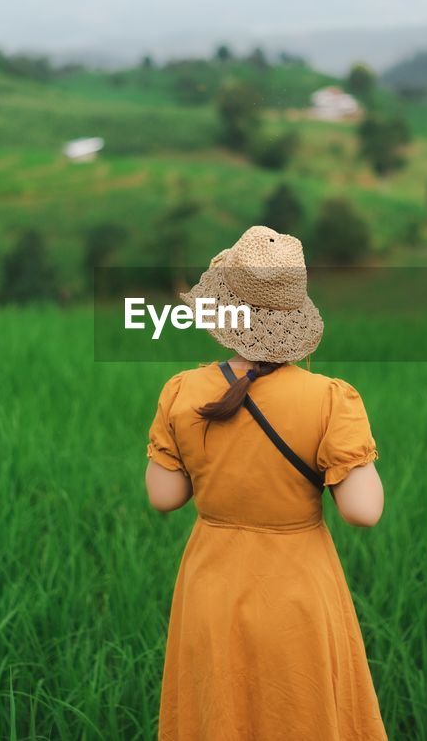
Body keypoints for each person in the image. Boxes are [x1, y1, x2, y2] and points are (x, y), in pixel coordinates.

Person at [145, 225, 387, 741]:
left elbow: (163, 496)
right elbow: (363, 511)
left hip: (211, 585)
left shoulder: (183, 392)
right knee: (298, 712)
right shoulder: (330, 399)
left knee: (219, 710)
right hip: (298, 590)